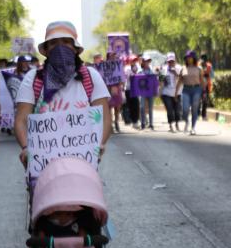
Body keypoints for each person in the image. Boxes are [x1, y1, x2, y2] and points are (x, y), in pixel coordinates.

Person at [14, 21, 111, 166]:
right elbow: (21, 120)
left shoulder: (90, 77)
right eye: (53, 43)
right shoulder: (33, 79)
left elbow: (104, 119)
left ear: (75, 49)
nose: (60, 48)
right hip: (43, 168)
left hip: (84, 166)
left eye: (66, 42)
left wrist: (100, 145)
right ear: (46, 50)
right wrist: (26, 148)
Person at [175, 50, 205, 135]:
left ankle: (193, 127)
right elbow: (179, 81)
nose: (189, 59)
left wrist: (204, 92)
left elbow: (202, 81)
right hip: (186, 90)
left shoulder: (199, 69)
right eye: (188, 58)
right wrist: (176, 92)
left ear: (194, 58)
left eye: (191, 58)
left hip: (196, 89)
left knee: (195, 109)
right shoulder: (183, 69)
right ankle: (186, 121)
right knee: (185, 108)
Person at [159, 52, 182, 132]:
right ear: (167, 61)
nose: (171, 63)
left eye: (172, 61)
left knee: (177, 110)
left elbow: (184, 79)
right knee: (169, 109)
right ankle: (171, 124)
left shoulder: (179, 68)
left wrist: (176, 73)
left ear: (175, 60)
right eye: (169, 61)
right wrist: (159, 92)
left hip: (177, 93)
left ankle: (177, 124)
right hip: (166, 93)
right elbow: (160, 81)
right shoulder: (163, 69)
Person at [106, 51, 124, 132]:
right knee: (109, 107)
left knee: (117, 107)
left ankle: (116, 123)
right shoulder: (104, 66)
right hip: (108, 89)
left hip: (117, 88)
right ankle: (110, 125)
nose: (113, 57)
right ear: (108, 56)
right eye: (112, 55)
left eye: (114, 55)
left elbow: (122, 77)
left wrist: (120, 84)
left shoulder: (118, 65)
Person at [139, 54, 155, 130]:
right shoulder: (140, 71)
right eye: (146, 61)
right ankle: (143, 123)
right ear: (143, 62)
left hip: (150, 91)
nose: (147, 62)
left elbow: (155, 81)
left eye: (148, 61)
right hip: (142, 91)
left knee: (150, 107)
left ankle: (151, 124)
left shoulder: (152, 71)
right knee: (142, 107)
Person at [124, 56, 140, 129]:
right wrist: (133, 73)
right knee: (130, 106)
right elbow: (128, 77)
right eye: (133, 60)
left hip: (135, 89)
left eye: (135, 60)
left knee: (136, 105)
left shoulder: (137, 67)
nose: (134, 62)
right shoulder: (127, 68)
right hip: (128, 88)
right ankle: (131, 121)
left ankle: (135, 121)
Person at [199, 54, 213, 121]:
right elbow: (212, 75)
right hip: (199, 86)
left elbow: (212, 75)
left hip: (205, 86)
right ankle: (200, 115)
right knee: (200, 101)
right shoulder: (198, 65)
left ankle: (202, 115)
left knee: (204, 101)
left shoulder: (209, 66)